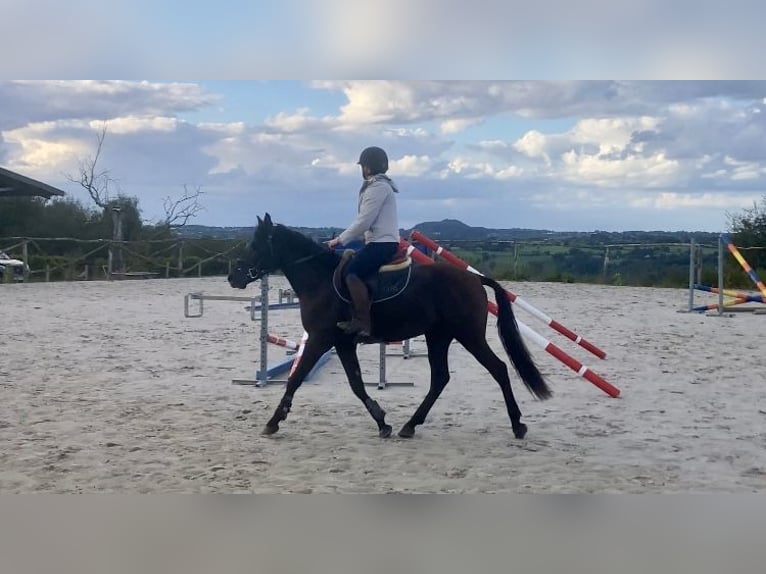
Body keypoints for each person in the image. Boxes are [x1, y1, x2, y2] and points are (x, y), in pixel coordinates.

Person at [326, 146, 400, 338]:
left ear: (367, 167)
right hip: (378, 241)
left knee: (352, 272)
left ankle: (363, 323)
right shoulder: (379, 186)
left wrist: (339, 241)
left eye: (363, 166)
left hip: (382, 244)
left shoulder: (378, 187)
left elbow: (363, 221)